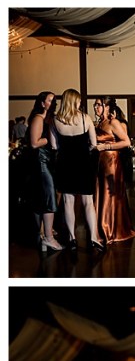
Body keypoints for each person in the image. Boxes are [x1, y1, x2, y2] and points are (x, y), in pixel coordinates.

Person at [52, 88, 103, 252]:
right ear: (75, 101)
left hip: (65, 164)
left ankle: (72, 238)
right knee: (88, 202)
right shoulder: (85, 118)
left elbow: (54, 146)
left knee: (68, 201)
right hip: (83, 163)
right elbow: (94, 144)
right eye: (79, 100)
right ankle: (93, 238)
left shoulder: (55, 120)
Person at [93, 97, 135, 244]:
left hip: (111, 161)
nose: (95, 107)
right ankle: (99, 229)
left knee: (109, 193)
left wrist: (106, 147)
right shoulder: (99, 123)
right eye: (95, 105)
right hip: (100, 162)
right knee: (100, 192)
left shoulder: (113, 122)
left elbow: (126, 142)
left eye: (98, 105)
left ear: (107, 107)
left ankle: (110, 229)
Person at [25, 90, 62, 254]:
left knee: (48, 197)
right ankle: (48, 237)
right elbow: (34, 143)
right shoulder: (38, 118)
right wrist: (52, 138)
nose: (53, 103)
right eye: (50, 100)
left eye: (54, 101)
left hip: (48, 161)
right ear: (42, 103)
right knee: (49, 197)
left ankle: (45, 234)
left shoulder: (50, 119)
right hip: (41, 162)